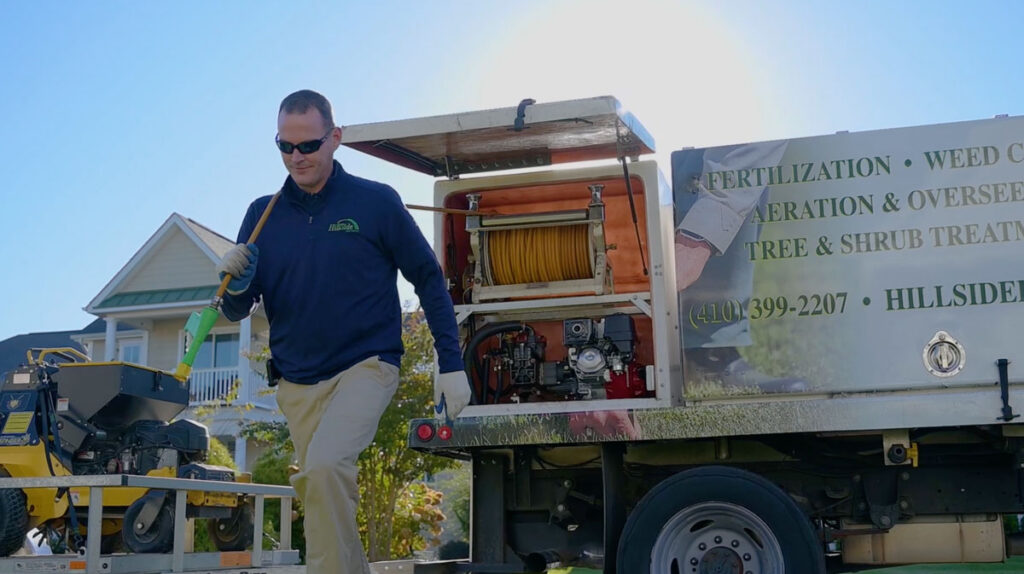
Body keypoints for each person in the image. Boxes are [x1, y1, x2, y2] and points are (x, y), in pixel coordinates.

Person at [216, 89, 472, 574]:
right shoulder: (261, 216)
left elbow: (428, 277)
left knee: (325, 468)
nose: (296, 157)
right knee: (321, 489)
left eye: (308, 145)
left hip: (366, 366)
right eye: (284, 147)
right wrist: (234, 281)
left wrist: (451, 362)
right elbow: (235, 310)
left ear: (335, 138)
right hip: (297, 383)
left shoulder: (375, 202)